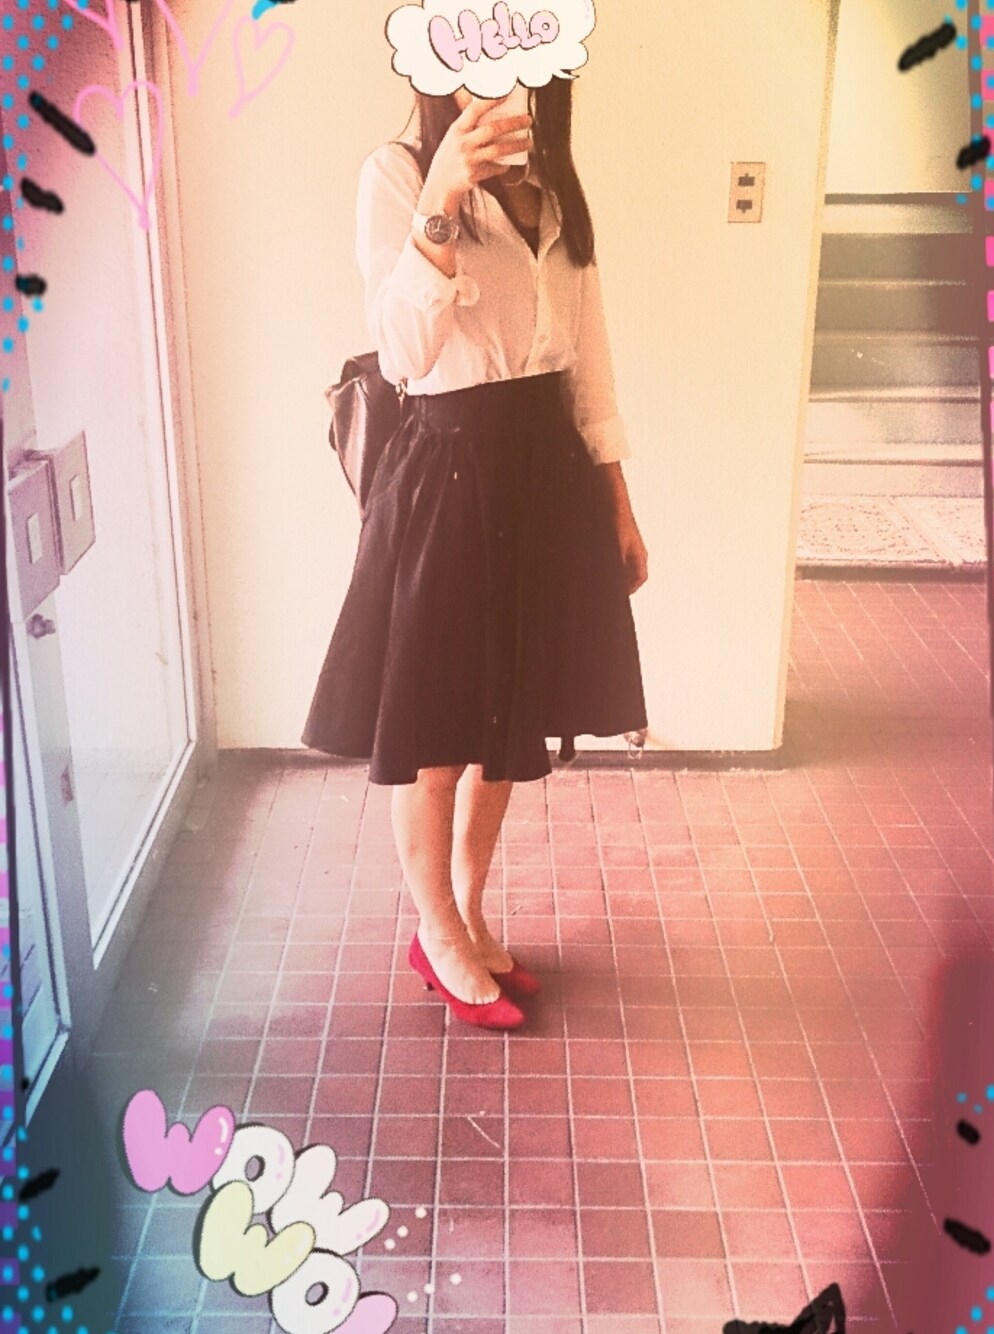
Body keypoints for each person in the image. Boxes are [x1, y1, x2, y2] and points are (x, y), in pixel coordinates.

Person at [303, 81, 648, 1031]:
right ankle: (436, 928)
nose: (496, 77)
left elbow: (589, 358)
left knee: (511, 719)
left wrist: (619, 501)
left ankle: (465, 912)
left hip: (547, 473)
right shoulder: (397, 174)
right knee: (439, 730)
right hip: (450, 475)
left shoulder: (554, 184)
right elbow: (403, 353)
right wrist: (441, 195)